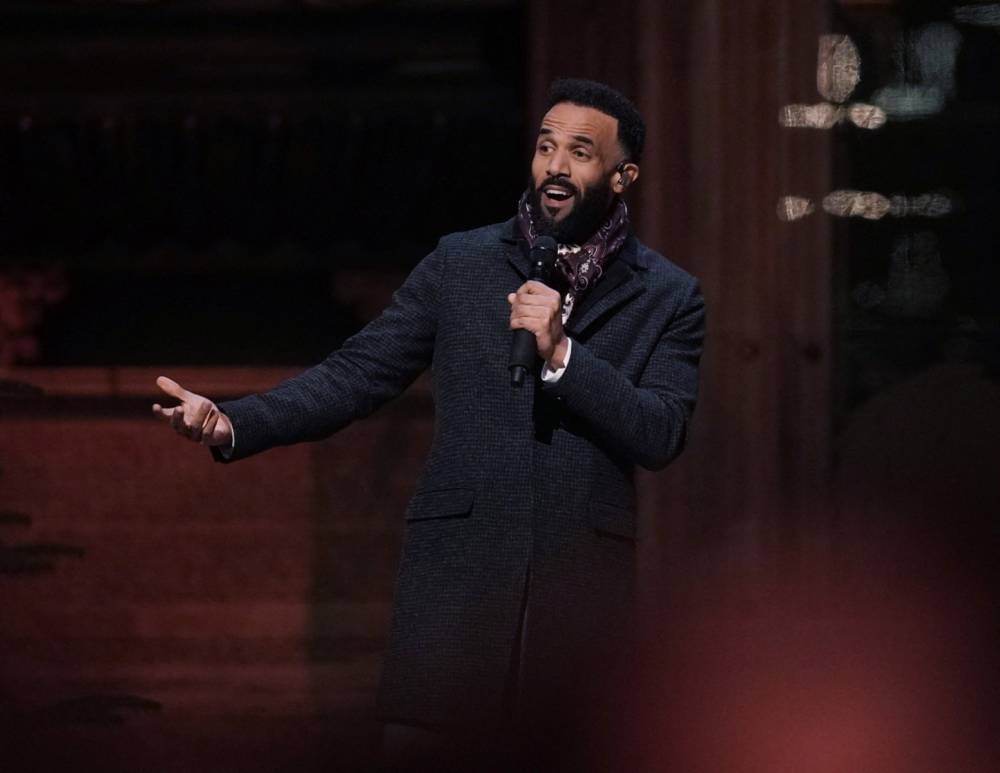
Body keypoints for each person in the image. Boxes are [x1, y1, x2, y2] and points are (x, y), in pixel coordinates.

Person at [153, 78, 705, 770]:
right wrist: (234, 421)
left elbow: (661, 431)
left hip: (579, 602)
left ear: (623, 176)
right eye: (545, 147)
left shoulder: (670, 295)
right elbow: (357, 372)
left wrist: (564, 355)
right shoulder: (461, 263)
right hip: (455, 591)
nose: (555, 167)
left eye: (580, 152)